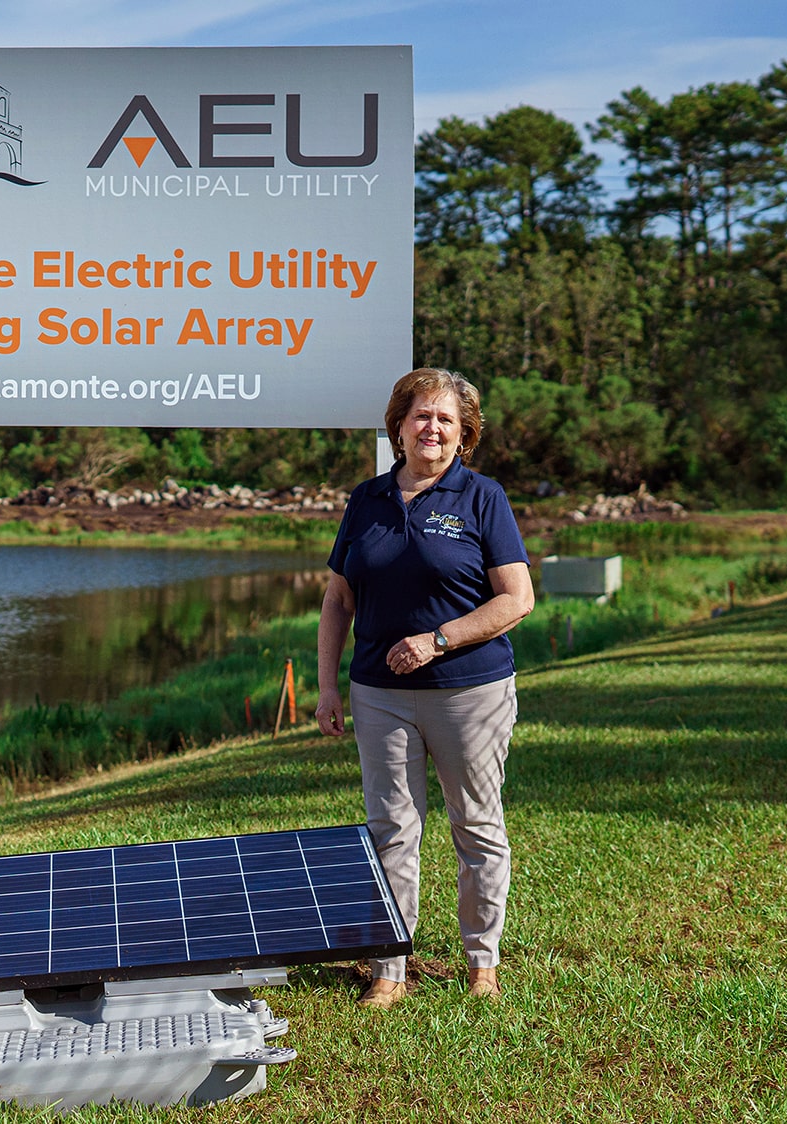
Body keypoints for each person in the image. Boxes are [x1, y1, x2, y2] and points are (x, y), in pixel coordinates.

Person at [315, 367, 533, 1009]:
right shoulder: (366, 500)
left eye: (445, 419)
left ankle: (482, 961)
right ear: (399, 427)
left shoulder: (482, 497)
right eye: (420, 416)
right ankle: (390, 964)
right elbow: (338, 600)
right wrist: (327, 688)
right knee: (390, 828)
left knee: (476, 825)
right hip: (378, 694)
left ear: (463, 434)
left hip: (470, 691)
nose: (431, 427)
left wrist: (439, 640)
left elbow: (516, 600)